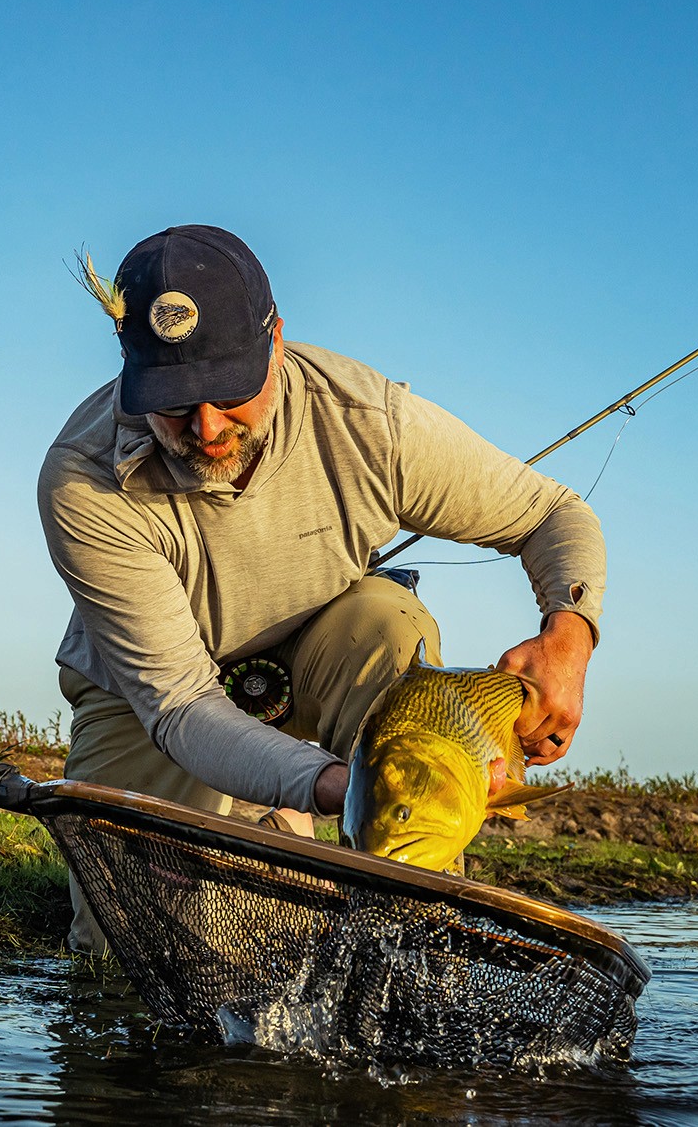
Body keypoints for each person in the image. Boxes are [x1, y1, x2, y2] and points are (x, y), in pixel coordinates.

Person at [37, 225, 603, 949]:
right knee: (130, 950)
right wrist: (339, 785)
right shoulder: (82, 479)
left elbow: (555, 515)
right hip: (148, 702)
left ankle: (416, 930)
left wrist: (569, 635)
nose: (206, 427)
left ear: (276, 343)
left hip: (321, 660)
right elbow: (177, 703)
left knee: (386, 620)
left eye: (228, 390)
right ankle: (280, 826)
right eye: (174, 400)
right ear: (130, 369)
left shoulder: (368, 421)